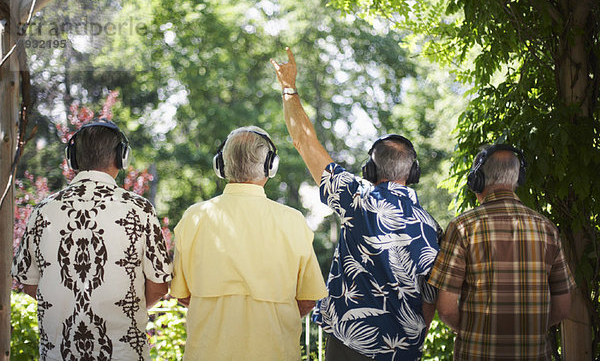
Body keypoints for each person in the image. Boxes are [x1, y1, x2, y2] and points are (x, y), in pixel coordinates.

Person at [271, 48, 441, 361]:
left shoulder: (357, 198)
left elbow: (304, 141)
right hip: (403, 351)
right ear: (413, 173)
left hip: (348, 347)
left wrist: (288, 88)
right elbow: (431, 300)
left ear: (369, 171)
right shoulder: (432, 228)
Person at [12, 119, 173, 360]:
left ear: (73, 159)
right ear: (122, 157)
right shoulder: (139, 209)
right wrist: (126, 309)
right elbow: (160, 286)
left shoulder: (42, 211)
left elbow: (29, 282)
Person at [170, 126, 327, 360]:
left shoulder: (194, 217)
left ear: (220, 166)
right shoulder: (293, 221)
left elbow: (182, 294)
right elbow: (307, 299)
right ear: (270, 166)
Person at [428, 144, 575, 360]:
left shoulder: (462, 227)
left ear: (477, 180)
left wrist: (474, 332)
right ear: (518, 178)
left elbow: (447, 310)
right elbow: (563, 308)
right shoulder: (547, 228)